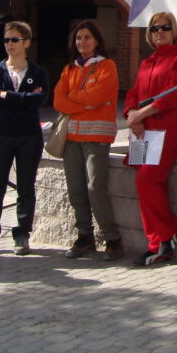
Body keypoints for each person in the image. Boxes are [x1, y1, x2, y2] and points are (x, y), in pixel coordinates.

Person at [0, 21, 49, 256]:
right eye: (6, 40)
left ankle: (22, 234)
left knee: (26, 186)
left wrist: (8, 95)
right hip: (1, 135)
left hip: (28, 137)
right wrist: (22, 97)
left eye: (14, 39)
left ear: (26, 42)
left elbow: (40, 101)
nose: (9, 44)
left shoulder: (37, 72)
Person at [124, 12, 177, 266]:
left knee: (147, 180)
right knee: (144, 181)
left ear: (174, 30)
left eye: (165, 27)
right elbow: (134, 92)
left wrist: (141, 113)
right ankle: (155, 243)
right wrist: (133, 114)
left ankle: (167, 231)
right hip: (144, 133)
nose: (159, 32)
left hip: (167, 134)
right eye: (154, 28)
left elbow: (173, 94)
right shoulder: (147, 62)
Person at [55, 20, 122, 261]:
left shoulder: (107, 66)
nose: (82, 42)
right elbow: (57, 101)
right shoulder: (69, 69)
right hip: (72, 138)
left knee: (95, 189)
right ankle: (85, 237)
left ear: (96, 41)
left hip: (97, 137)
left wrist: (74, 100)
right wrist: (85, 102)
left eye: (87, 37)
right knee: (76, 191)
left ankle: (112, 238)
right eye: (78, 38)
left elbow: (100, 95)